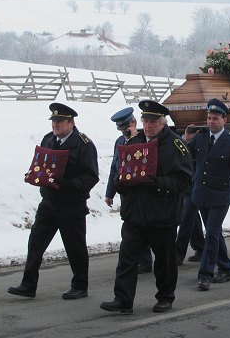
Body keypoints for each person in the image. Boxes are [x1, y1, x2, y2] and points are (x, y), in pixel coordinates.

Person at [100, 100, 193, 314]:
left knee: (164, 260)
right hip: (135, 213)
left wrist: (158, 183)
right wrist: (119, 184)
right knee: (127, 258)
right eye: (146, 121)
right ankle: (123, 299)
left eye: (153, 121)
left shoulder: (176, 145)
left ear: (163, 122)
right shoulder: (135, 142)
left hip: (162, 214)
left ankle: (165, 297)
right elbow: (121, 170)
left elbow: (185, 179)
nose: (148, 125)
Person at [8, 102, 99, 299]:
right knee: (35, 243)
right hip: (49, 203)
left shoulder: (84, 144)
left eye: (59, 121)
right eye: (53, 121)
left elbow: (91, 177)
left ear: (71, 123)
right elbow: (41, 165)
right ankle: (28, 284)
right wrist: (35, 175)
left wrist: (66, 184)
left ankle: (80, 286)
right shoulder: (49, 140)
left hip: (71, 205)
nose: (55, 125)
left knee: (75, 247)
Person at [184, 98, 230, 291]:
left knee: (212, 233)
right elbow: (186, 154)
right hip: (201, 193)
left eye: (215, 118)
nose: (211, 122)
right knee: (214, 233)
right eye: (209, 118)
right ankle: (226, 267)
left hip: (220, 195)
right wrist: (186, 139)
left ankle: (205, 274)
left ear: (224, 120)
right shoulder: (201, 138)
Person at [104, 107, 153, 274]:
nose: (125, 131)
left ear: (134, 123)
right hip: (125, 192)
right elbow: (114, 168)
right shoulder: (119, 142)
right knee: (132, 225)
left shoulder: (142, 140)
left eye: (127, 126)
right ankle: (140, 260)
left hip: (140, 192)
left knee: (141, 226)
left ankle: (144, 261)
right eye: (121, 128)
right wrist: (109, 192)